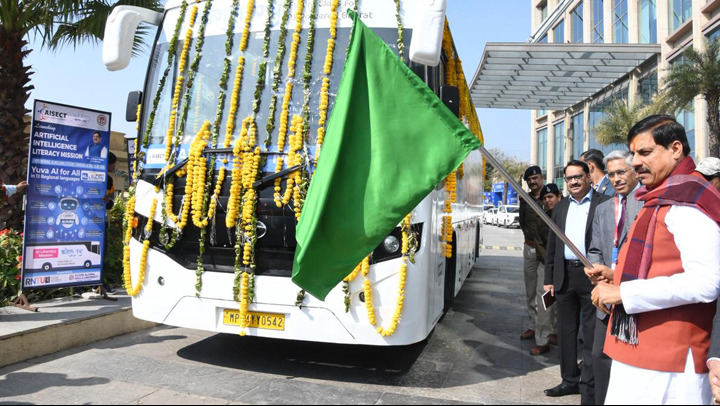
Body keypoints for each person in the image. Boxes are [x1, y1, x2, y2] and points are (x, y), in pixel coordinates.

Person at [590, 115, 720, 405]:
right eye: (633, 153)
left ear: (675, 149)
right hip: (640, 352)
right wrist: (616, 276)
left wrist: (624, 292)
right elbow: (662, 263)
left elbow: (706, 282)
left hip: (670, 361)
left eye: (645, 152)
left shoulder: (688, 205)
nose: (635, 162)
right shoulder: (659, 197)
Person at [543, 160, 610, 404]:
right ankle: (569, 380)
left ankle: (588, 386)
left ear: (588, 176)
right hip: (564, 276)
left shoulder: (604, 203)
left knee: (591, 335)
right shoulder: (561, 206)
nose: (573, 182)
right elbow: (552, 244)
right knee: (566, 332)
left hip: (592, 277)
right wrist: (549, 278)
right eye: (569, 178)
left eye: (578, 177)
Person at [584, 149, 642, 405]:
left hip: (634, 295)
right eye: (611, 174)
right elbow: (595, 248)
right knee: (599, 355)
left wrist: (617, 275)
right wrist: (597, 272)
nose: (616, 179)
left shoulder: (648, 203)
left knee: (628, 360)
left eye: (621, 172)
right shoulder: (604, 208)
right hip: (606, 297)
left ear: (634, 171)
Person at [525, 181, 560, 356]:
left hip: (565, 266)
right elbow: (538, 243)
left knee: (560, 304)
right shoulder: (542, 217)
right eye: (545, 198)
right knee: (544, 303)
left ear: (559, 197)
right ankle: (542, 340)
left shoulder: (567, 214)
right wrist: (550, 263)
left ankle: (556, 332)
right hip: (546, 265)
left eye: (551, 197)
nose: (548, 200)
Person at [518, 165, 550, 347]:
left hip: (547, 251)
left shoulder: (550, 196)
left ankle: (550, 330)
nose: (532, 182)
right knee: (530, 290)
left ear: (541, 178)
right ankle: (533, 324)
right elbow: (523, 223)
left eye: (535, 178)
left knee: (545, 292)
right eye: (529, 180)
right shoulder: (525, 199)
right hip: (530, 248)